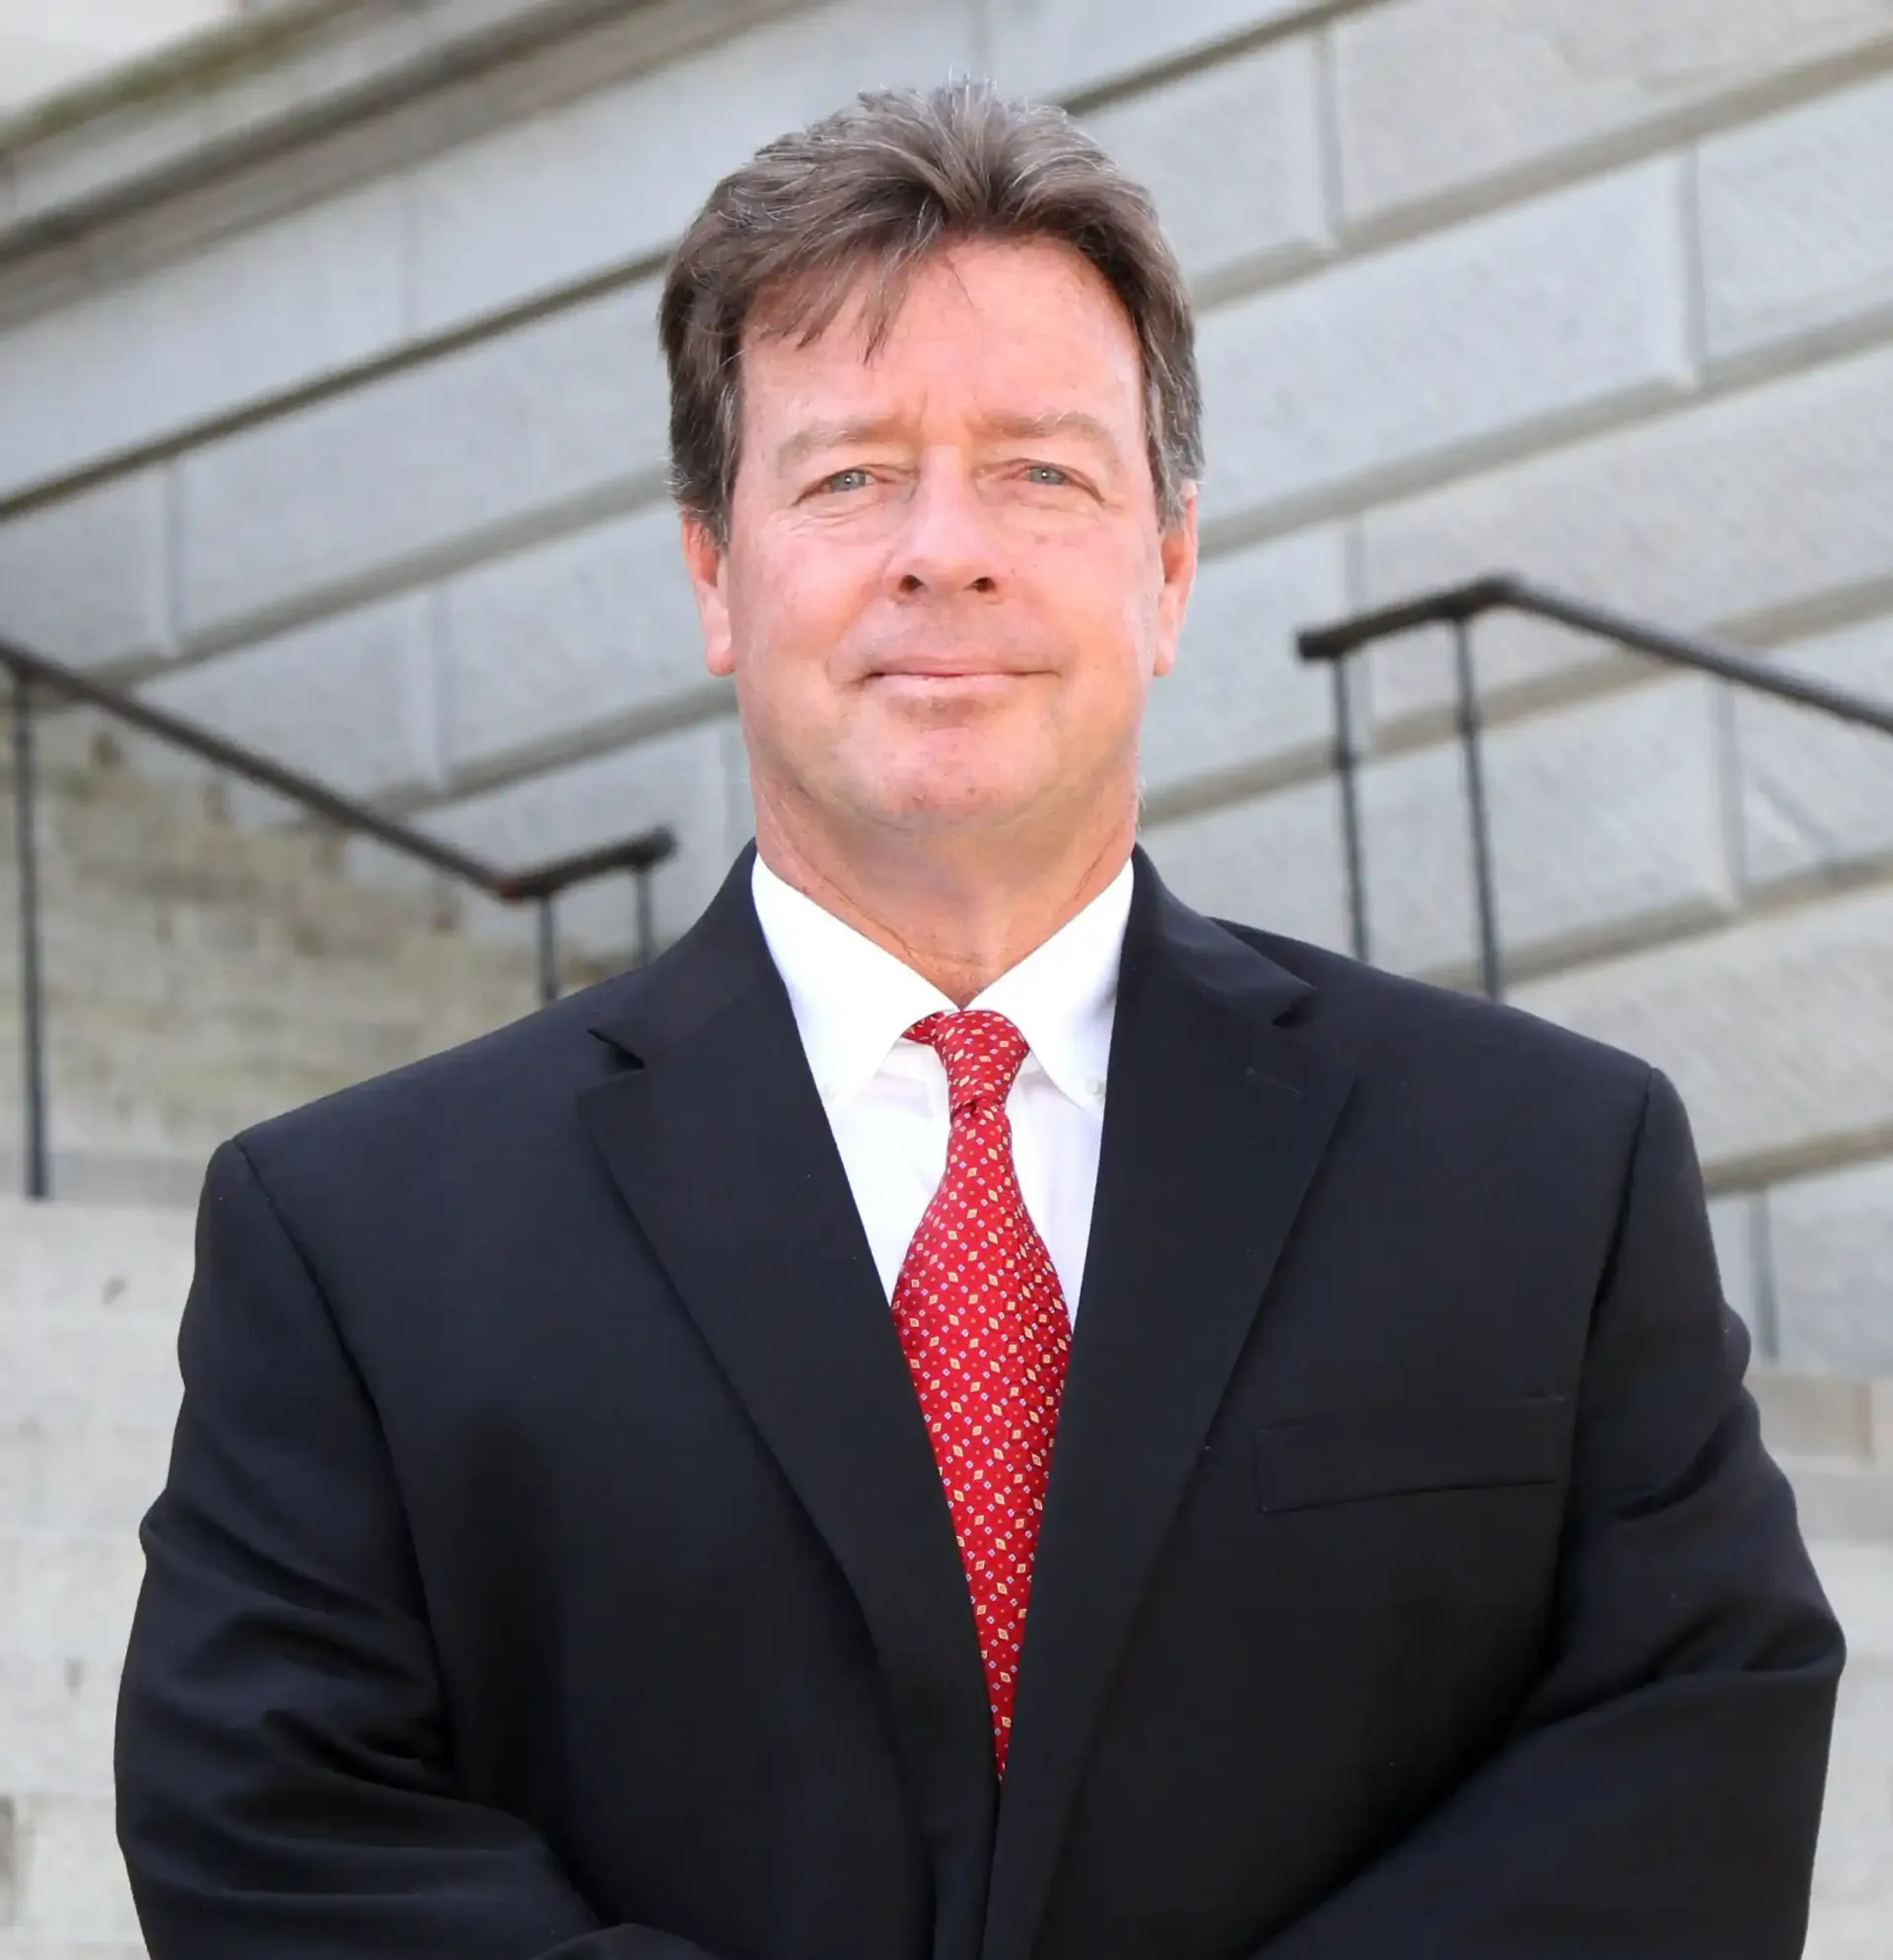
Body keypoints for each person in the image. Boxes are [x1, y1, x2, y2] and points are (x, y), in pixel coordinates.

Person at [115, 81, 1842, 1960]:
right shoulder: (357, 1238)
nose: (948, 549)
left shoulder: (1550, 1173)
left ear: (1167, 564)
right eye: (851, 473)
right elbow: (278, 1835)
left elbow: (1689, 1760)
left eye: (1041, 469)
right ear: (715, 568)